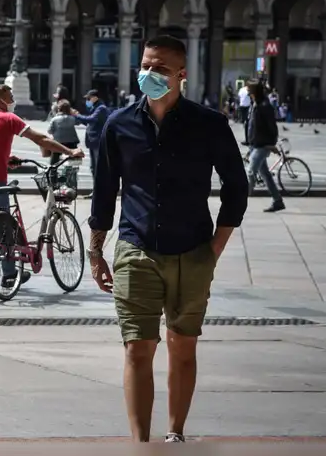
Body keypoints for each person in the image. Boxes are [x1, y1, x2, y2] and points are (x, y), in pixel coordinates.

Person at [87, 35, 248, 443]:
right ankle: (140, 442)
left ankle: (175, 433)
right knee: (137, 348)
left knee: (182, 346)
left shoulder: (209, 124)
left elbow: (236, 187)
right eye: (145, 65)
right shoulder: (119, 124)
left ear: (181, 75)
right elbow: (104, 191)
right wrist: (95, 251)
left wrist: (215, 248)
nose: (149, 74)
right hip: (136, 249)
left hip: (193, 251)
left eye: (159, 68)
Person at [0, 84, 83, 293]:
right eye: (10, 96)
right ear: (0, 100)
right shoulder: (8, 118)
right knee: (5, 227)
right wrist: (69, 151)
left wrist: (5, 159)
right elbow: (41, 139)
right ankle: (8, 275)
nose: (13, 100)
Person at [243, 81, 285, 213]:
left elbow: (272, 126)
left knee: (251, 171)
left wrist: (271, 143)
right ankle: (278, 201)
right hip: (255, 144)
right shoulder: (255, 104)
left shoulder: (265, 106)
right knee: (265, 174)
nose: (248, 92)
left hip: (263, 145)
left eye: (249, 90)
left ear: (255, 91)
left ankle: (240, 201)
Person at [72, 89, 110, 187]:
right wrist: (78, 116)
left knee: (99, 167)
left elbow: (92, 119)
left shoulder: (101, 108)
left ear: (95, 98)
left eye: (89, 98)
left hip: (98, 141)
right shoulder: (95, 107)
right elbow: (88, 122)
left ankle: (101, 190)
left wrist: (77, 115)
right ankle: (96, 189)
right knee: (93, 167)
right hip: (93, 142)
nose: (87, 101)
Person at [47, 100, 80, 165]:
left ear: (59, 109)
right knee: (73, 158)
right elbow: (78, 122)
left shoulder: (55, 119)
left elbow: (49, 131)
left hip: (58, 142)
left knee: (54, 159)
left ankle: (52, 172)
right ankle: (72, 171)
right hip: (72, 142)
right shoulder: (72, 118)